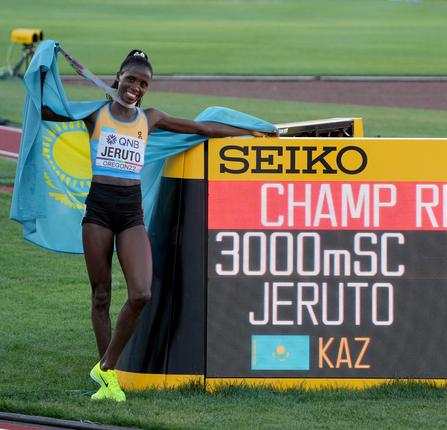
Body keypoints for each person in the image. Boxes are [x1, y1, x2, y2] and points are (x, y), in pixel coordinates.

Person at [41, 50, 274, 402]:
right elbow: (48, 109)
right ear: (118, 77)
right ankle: (110, 380)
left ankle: (104, 365)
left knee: (141, 293)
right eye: (131, 79)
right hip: (99, 211)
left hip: (131, 213)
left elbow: (202, 129)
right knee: (101, 294)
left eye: (143, 83)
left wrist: (251, 132)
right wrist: (43, 67)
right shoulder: (95, 114)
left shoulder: (150, 118)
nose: (135, 87)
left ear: (148, 89)